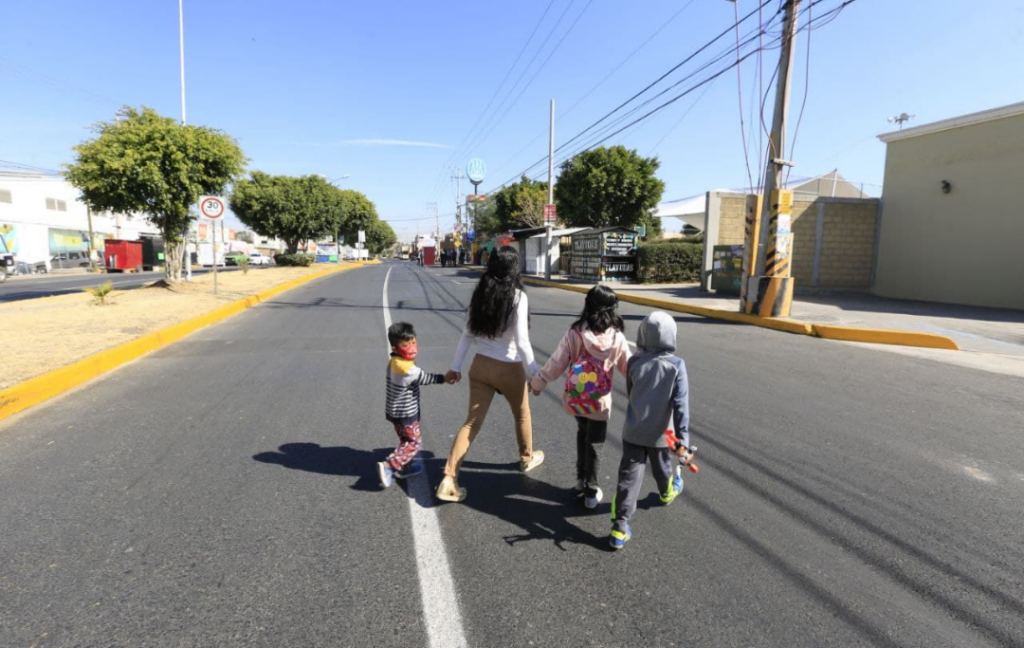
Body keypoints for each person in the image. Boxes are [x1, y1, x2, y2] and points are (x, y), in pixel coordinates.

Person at [436, 246, 544, 502]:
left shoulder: (481, 294)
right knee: (521, 414)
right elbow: (522, 341)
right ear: (514, 269)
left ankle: (449, 478)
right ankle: (526, 458)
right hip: (509, 368)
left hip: (480, 366)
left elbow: (467, 334)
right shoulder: (518, 296)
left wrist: (456, 366)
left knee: (471, 422)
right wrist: (536, 373)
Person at [529, 286, 631, 509]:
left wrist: (538, 383)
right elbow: (629, 371)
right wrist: (642, 397)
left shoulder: (574, 333)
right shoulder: (617, 339)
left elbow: (556, 363)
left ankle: (579, 479)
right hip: (599, 403)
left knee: (582, 433)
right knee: (595, 443)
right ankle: (591, 491)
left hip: (576, 399)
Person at [608, 311, 691, 550]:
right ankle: (666, 493)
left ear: (642, 335)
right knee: (663, 469)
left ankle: (619, 528)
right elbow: (681, 405)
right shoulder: (676, 366)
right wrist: (682, 440)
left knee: (628, 479)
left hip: (633, 431)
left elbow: (631, 390)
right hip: (662, 435)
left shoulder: (634, 361)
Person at [379, 322, 447, 488]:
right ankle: (391, 465)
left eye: (413, 342)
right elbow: (425, 378)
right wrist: (445, 378)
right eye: (405, 345)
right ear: (395, 347)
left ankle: (405, 467)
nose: (411, 347)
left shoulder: (394, 361)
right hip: (406, 413)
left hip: (395, 412)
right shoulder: (408, 369)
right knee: (414, 442)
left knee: (405, 441)